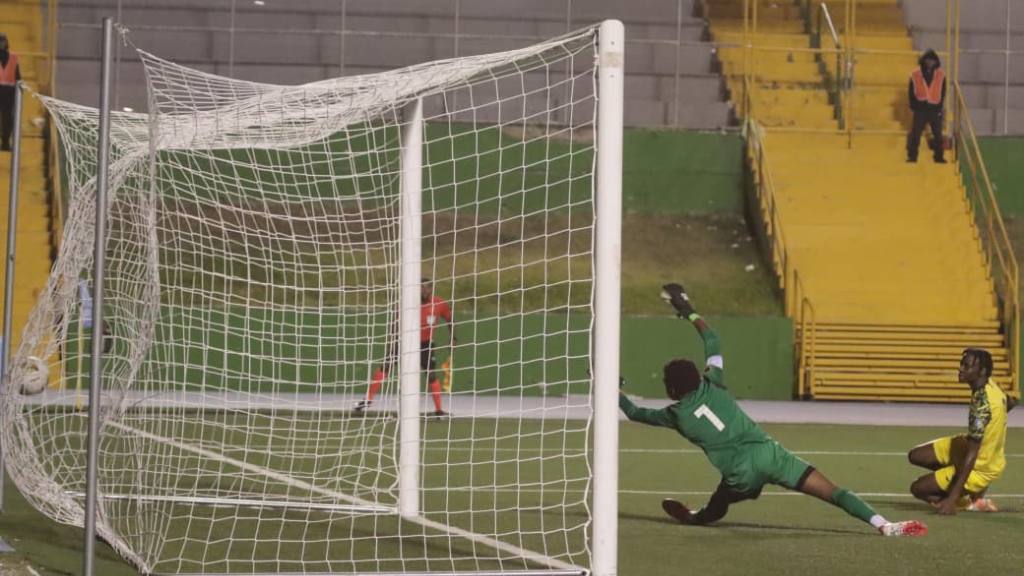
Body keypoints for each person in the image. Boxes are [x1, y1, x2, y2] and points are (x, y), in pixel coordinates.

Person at [618, 282, 927, 537]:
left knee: (719, 504)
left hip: (740, 474)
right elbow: (712, 339)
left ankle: (696, 517)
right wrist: (687, 311)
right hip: (769, 454)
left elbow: (633, 412)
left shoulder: (674, 415)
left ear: (671, 391)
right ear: (698, 377)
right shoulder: (714, 382)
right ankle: (884, 525)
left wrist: (611, 390)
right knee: (833, 491)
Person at [907, 348, 1017, 514]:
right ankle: (965, 487)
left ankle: (969, 501)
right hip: (971, 448)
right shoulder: (990, 385)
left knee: (918, 489)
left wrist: (951, 500)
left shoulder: (982, 406)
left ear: (982, 371)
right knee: (915, 455)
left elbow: (972, 454)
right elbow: (1010, 401)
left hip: (981, 467)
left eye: (967, 366)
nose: (960, 369)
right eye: (961, 364)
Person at [355, 279, 456, 417]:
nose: (424, 291)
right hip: (405, 341)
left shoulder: (439, 304)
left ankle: (439, 410)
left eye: (427, 288)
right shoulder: (408, 303)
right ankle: (367, 399)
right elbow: (395, 322)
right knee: (386, 366)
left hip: (425, 344)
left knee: (431, 374)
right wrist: (393, 340)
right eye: (421, 288)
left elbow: (450, 319)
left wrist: (453, 337)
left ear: (431, 290)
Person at [906, 49, 946, 164]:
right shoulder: (915, 74)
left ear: (935, 62)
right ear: (924, 60)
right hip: (920, 108)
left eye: (932, 60)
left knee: (938, 135)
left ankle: (939, 157)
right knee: (915, 134)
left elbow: (942, 91)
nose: (930, 62)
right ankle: (912, 156)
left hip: (934, 108)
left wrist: (939, 106)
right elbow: (911, 91)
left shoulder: (941, 75)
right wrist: (914, 106)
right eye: (928, 60)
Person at [0, 32, 22, 152]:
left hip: (9, 92)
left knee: (8, 119)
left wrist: (19, 90)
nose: (1, 43)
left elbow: (18, 75)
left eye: (3, 40)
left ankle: (5, 144)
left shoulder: (13, 57)